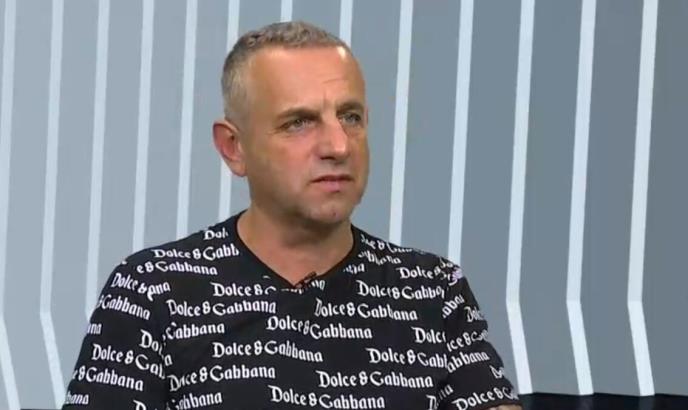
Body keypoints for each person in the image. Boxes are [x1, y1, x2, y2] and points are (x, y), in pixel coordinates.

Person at [62, 21, 522, 410]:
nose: (337, 146)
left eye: (351, 117)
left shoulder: (432, 291)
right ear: (233, 147)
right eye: (299, 122)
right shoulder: (153, 290)